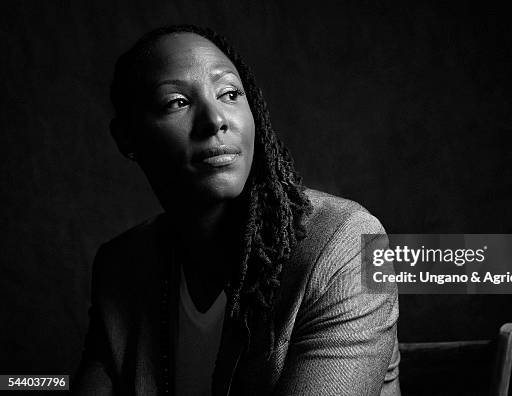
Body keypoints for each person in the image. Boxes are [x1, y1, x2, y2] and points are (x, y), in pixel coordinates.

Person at [73, 24, 400, 396]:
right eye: (177, 102)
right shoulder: (122, 266)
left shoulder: (345, 245)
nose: (215, 121)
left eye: (229, 93)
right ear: (127, 137)